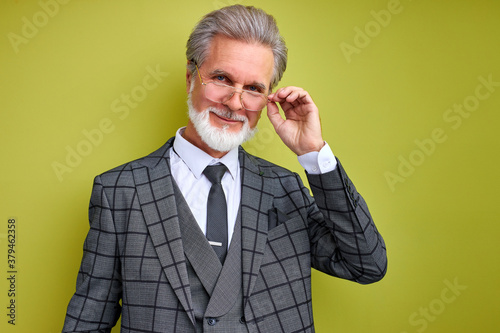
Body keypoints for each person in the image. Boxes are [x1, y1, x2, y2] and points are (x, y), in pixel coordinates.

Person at [62, 5, 387, 333]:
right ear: (191, 78)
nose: (235, 103)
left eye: (254, 88)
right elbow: (88, 320)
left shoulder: (285, 187)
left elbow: (367, 264)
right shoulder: (119, 191)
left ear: (267, 98)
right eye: (221, 78)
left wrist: (313, 153)